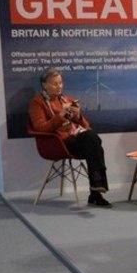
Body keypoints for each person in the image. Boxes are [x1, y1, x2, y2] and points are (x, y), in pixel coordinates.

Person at [28, 68, 111, 207]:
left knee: (93, 140)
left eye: (61, 83)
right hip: (58, 143)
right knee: (94, 142)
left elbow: (87, 126)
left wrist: (78, 116)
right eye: (55, 84)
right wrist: (60, 116)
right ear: (44, 85)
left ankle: (96, 189)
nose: (59, 86)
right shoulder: (37, 103)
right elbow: (40, 128)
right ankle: (96, 191)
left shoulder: (66, 99)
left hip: (76, 139)